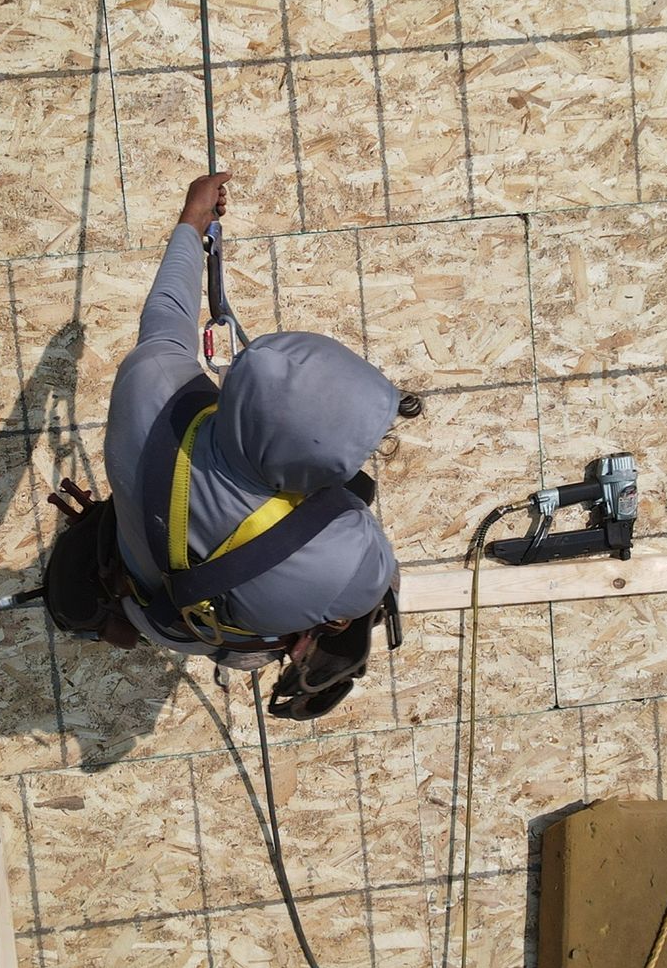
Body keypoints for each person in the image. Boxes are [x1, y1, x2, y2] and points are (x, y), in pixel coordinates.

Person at [40, 172, 405, 718]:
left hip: (152, 610)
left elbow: (166, 314)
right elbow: (376, 582)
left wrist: (192, 222)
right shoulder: (349, 558)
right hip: (222, 639)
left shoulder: (149, 389)